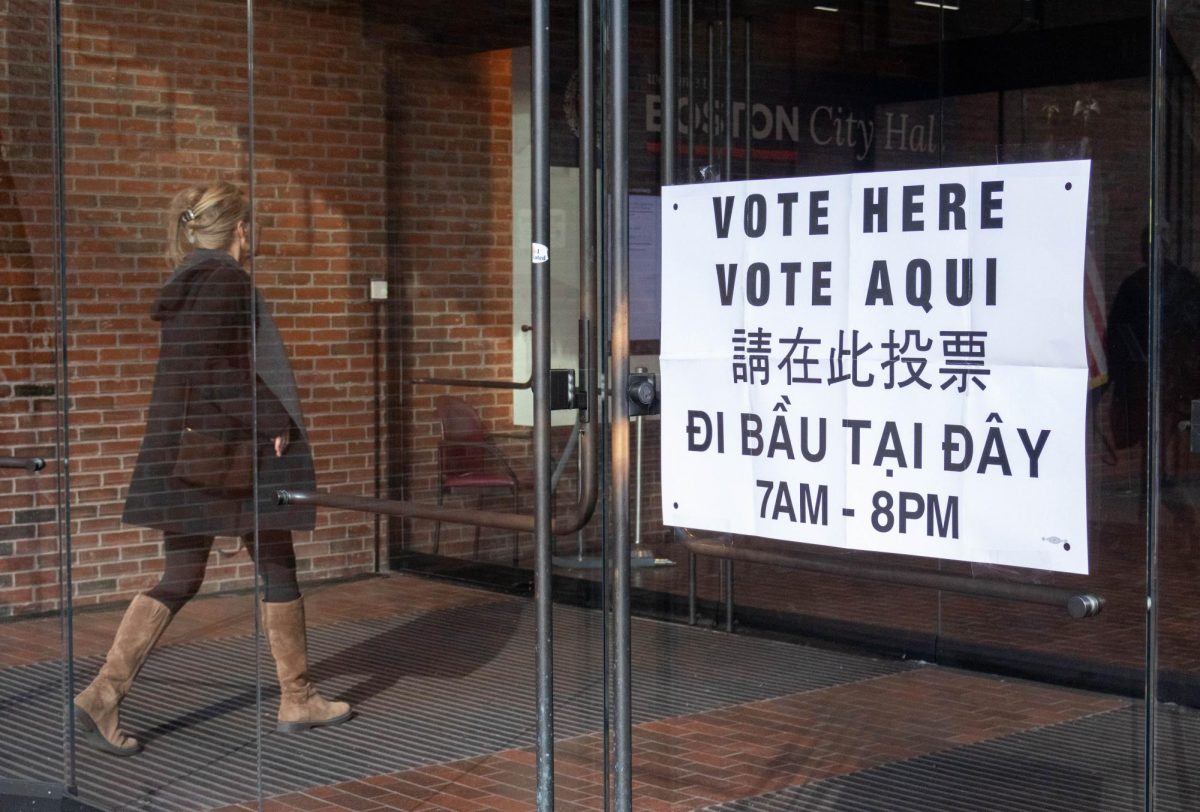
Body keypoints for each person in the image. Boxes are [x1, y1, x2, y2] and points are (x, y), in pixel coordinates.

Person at [73, 181, 351, 756]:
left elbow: (205, 365)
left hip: (194, 456)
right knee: (273, 559)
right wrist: (273, 417)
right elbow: (213, 368)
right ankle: (296, 698)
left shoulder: (190, 282)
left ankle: (105, 691)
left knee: (189, 572)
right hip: (229, 456)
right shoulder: (224, 281)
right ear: (241, 230)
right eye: (252, 226)